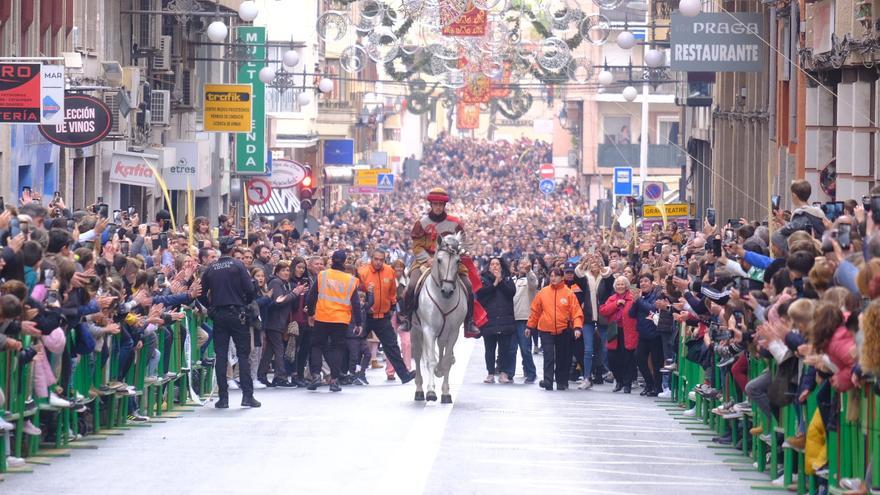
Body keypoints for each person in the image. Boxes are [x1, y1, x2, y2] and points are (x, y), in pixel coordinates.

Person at [399, 188, 483, 337]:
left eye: (440, 204)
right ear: (431, 205)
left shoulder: (455, 223)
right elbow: (416, 246)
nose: (438, 207)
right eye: (435, 204)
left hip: (449, 260)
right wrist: (428, 259)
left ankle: (469, 322)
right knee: (411, 285)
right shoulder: (421, 223)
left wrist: (454, 253)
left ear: (444, 206)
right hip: (425, 261)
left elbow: (462, 243)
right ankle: (407, 317)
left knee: (468, 286)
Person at [199, 236, 260, 409]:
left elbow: (201, 292)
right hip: (237, 313)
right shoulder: (238, 266)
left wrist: (210, 307)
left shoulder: (211, 268)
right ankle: (247, 396)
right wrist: (245, 302)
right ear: (232, 249)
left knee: (221, 355)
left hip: (219, 315)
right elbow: (250, 290)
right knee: (243, 355)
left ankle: (223, 398)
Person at [305, 250, 362, 392]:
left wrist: (311, 313)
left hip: (322, 316)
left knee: (317, 345)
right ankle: (335, 380)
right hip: (341, 319)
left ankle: (316, 375)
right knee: (337, 348)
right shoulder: (350, 279)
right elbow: (356, 303)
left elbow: (311, 297)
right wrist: (359, 323)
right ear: (344, 262)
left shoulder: (323, 275)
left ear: (331, 260)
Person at [356, 248, 414, 383]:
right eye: (376, 259)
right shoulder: (362, 272)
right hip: (366, 316)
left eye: (381, 260)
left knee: (392, 346)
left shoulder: (389, 271)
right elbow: (358, 293)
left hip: (383, 316)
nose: (378, 262)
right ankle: (356, 374)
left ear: (384, 260)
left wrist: (393, 305)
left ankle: (404, 375)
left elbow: (392, 291)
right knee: (357, 344)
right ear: (371, 258)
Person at [525, 267, 585, 391]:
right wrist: (530, 326)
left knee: (563, 357)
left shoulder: (569, 293)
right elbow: (535, 311)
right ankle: (547, 380)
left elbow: (576, 312)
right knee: (548, 356)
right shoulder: (543, 292)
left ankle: (561, 381)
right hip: (546, 329)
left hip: (564, 329)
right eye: (551, 276)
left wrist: (577, 327)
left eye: (556, 276)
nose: (553, 278)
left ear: (561, 277)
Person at [476, 256, 516, 384]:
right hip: (489, 320)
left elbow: (511, 292)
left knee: (505, 349)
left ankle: (503, 373)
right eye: (492, 264)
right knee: (490, 349)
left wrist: (501, 281)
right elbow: (481, 295)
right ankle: (490, 373)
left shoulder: (508, 279)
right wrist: (494, 284)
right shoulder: (483, 279)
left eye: (497, 264)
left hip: (505, 319)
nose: (494, 266)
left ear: (501, 266)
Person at [600, 276, 638, 393]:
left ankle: (627, 384)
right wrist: (616, 304)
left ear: (626, 286)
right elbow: (603, 311)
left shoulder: (632, 298)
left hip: (628, 331)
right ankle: (619, 380)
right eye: (618, 284)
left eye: (622, 284)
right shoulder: (612, 298)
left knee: (627, 359)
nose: (620, 286)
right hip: (614, 331)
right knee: (612, 358)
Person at [507, 258, 538, 383]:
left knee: (525, 348)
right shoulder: (512, 280)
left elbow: (534, 283)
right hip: (511, 318)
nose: (522, 266)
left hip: (524, 319)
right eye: (520, 264)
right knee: (511, 348)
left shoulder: (529, 279)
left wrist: (529, 271)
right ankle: (509, 373)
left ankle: (531, 373)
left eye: (525, 264)